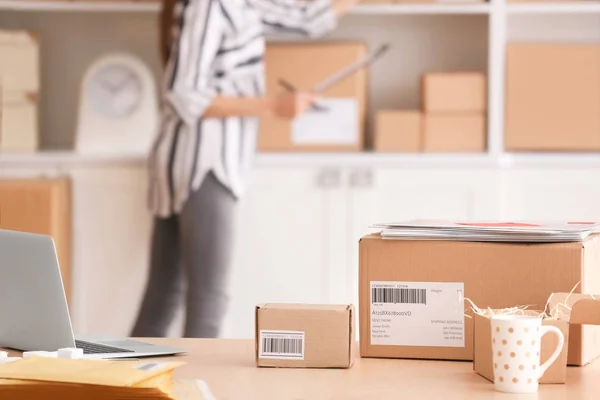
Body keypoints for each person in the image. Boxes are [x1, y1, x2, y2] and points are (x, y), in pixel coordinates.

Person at [131, 0, 360, 338]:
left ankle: (124, 388)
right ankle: (199, 390)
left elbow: (308, 18)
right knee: (207, 302)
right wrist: (272, 105)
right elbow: (185, 93)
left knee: (164, 299)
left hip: (193, 161)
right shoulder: (209, 4)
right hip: (202, 163)